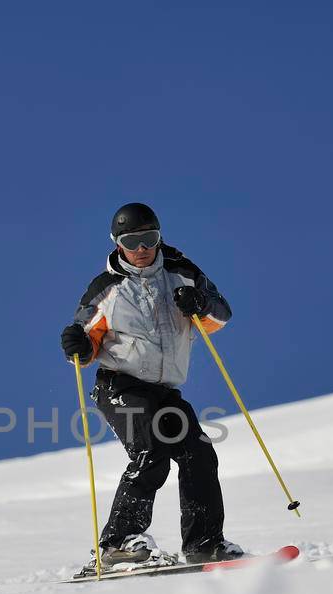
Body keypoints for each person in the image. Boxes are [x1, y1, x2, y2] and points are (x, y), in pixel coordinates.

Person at [60, 202, 246, 575]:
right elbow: (83, 340)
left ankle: (204, 544)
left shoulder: (182, 272)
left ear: (159, 236)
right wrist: (76, 346)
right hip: (120, 384)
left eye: (149, 238)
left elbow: (220, 315)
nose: (142, 248)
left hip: (164, 389)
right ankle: (117, 545)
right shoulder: (106, 288)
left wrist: (200, 303)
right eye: (132, 240)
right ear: (117, 243)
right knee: (151, 449)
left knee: (198, 453)